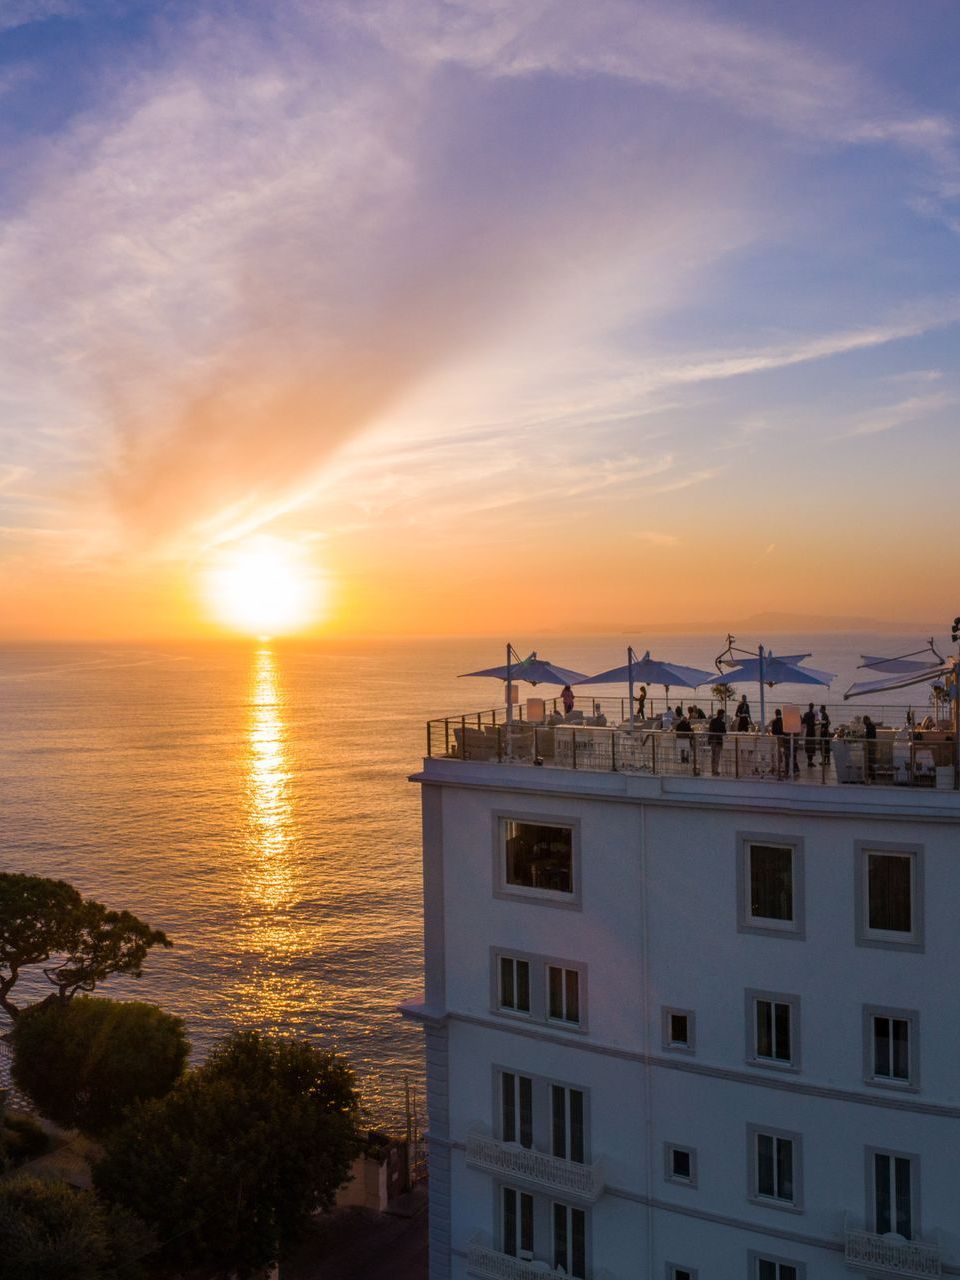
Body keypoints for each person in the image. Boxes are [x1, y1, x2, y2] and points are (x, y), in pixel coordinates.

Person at [770, 707, 797, 777]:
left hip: (778, 740)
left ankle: (778, 769)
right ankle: (786, 770)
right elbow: (786, 731)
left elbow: (773, 732)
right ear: (781, 714)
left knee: (778, 755)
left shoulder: (774, 722)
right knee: (786, 755)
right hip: (785, 740)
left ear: (775, 714)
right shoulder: (784, 721)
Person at [707, 707, 726, 775]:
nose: (723, 716)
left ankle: (713, 770)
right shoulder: (722, 723)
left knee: (713, 755)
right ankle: (715, 770)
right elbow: (724, 732)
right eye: (723, 714)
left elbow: (710, 730)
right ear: (721, 715)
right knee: (717, 756)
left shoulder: (712, 721)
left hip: (712, 740)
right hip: (718, 741)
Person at [801, 701, 817, 766]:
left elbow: (803, 722)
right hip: (812, 732)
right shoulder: (814, 715)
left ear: (809, 707)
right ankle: (810, 761)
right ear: (813, 707)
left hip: (808, 732)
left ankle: (809, 761)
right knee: (812, 747)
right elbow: (815, 723)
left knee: (808, 747)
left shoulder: (806, 714)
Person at [864, 714, 877, 781]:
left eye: (864, 721)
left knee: (870, 760)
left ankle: (872, 775)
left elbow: (869, 736)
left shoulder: (869, 726)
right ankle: (871, 775)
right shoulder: (871, 725)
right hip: (872, 744)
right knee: (871, 760)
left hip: (870, 744)